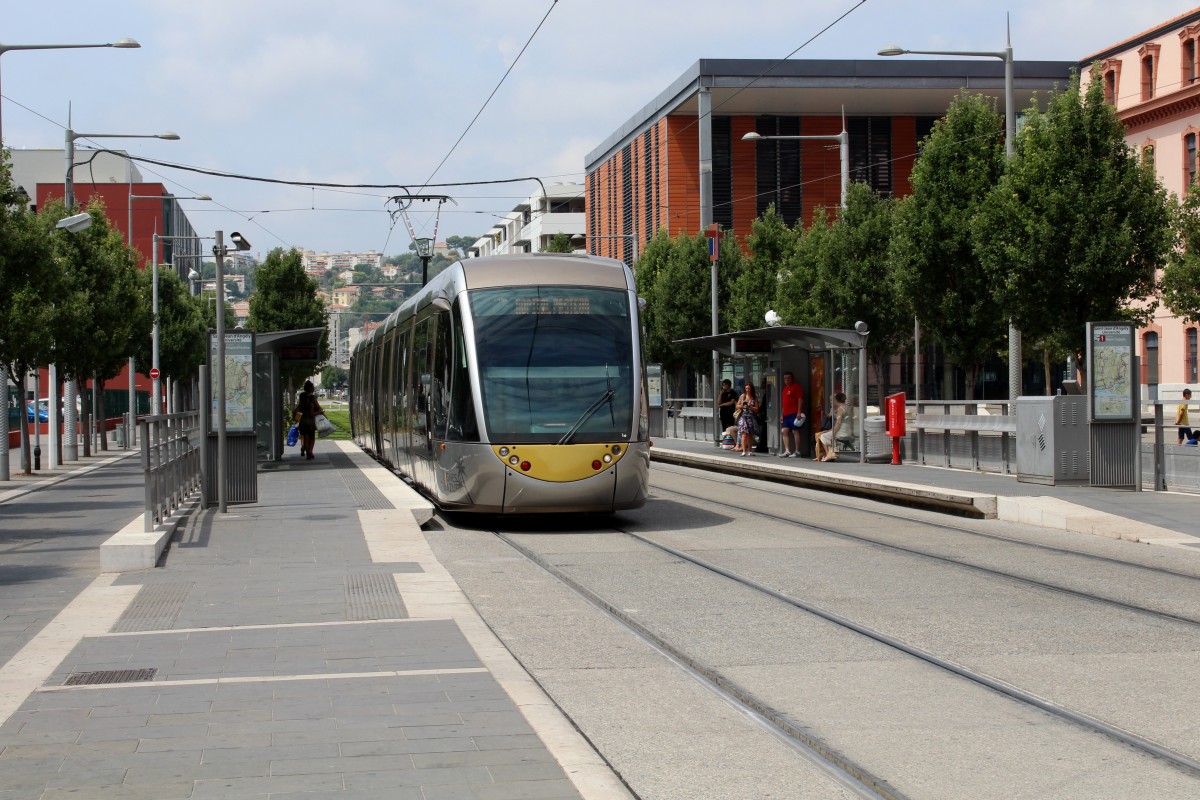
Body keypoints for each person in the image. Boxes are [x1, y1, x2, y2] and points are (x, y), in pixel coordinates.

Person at [294, 380, 324, 460]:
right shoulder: (312, 398)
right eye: (313, 387)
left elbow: (299, 407)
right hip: (310, 421)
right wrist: (321, 412)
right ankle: (310, 452)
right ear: (310, 388)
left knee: (305, 436)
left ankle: (306, 450)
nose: (314, 388)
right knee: (312, 437)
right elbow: (317, 408)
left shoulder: (302, 396)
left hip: (302, 421)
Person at [815, 392, 847, 462]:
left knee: (822, 436)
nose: (831, 402)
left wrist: (833, 433)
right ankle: (824, 454)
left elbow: (838, 423)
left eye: (833, 400)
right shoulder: (845, 407)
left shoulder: (840, 409)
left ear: (836, 400)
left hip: (841, 431)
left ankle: (828, 454)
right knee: (822, 434)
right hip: (845, 430)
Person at [778, 371, 803, 458]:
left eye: (788, 378)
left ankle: (797, 451)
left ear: (792, 379)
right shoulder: (784, 389)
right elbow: (784, 404)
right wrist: (782, 415)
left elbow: (800, 399)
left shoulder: (796, 387)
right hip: (786, 414)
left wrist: (799, 412)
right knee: (784, 431)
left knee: (795, 431)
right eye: (785, 378)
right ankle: (787, 450)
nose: (786, 380)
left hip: (794, 413)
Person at [734, 381, 759, 456]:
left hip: (751, 418)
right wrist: (742, 406)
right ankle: (744, 451)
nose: (747, 389)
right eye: (746, 388)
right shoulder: (742, 396)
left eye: (749, 388)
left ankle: (750, 451)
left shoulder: (754, 397)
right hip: (743, 417)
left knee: (750, 434)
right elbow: (737, 405)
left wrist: (750, 406)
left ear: (751, 389)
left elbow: (757, 409)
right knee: (744, 434)